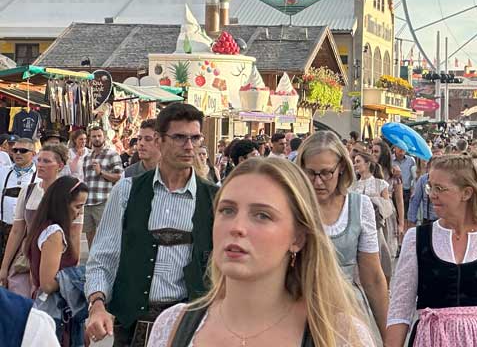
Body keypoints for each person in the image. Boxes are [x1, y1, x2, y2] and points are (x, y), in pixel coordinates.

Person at [146, 156, 373, 346]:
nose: (237, 227)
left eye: (262, 215)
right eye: (227, 210)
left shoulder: (338, 336)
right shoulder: (173, 326)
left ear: (298, 238)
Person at [84, 103, 217, 347]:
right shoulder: (127, 190)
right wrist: (97, 304)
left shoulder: (214, 198)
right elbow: (103, 257)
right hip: (130, 326)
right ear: (159, 140)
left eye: (195, 138)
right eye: (179, 137)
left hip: (189, 328)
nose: (189, 146)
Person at [384, 153, 477, 347]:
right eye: (430, 187)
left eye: (440, 188)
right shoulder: (417, 239)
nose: (432, 195)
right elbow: (400, 309)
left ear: (466, 193)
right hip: (431, 341)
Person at [298, 131, 388, 339]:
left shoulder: (359, 206)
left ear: (341, 168)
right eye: (311, 173)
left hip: (346, 312)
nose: (318, 182)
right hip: (298, 311)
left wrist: (389, 338)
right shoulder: (293, 205)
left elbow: (373, 278)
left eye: (326, 173)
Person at [0, 144, 76, 294]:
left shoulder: (70, 193)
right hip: (26, 258)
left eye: (46, 161)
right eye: (39, 160)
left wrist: (72, 269)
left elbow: (73, 234)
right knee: (21, 300)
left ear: (60, 166)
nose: (40, 164)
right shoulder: (28, 191)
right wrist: (4, 266)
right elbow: (17, 231)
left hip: (56, 257)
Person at [26, 175, 86, 302]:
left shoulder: (41, 225)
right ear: (63, 204)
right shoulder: (54, 233)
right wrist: (78, 278)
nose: (80, 212)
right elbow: (47, 284)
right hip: (53, 305)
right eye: (78, 206)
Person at [352, 151, 398, 270]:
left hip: (376, 227)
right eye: (354, 162)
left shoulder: (380, 183)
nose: (355, 164)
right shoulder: (354, 186)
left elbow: (388, 207)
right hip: (356, 227)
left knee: (378, 258)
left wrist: (374, 201)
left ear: (367, 164)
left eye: (358, 161)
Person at [81, 124, 123, 247]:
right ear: (90, 138)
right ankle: (92, 257)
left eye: (99, 136)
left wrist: (101, 172)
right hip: (88, 202)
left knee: (106, 235)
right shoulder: (87, 158)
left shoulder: (112, 155)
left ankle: (106, 257)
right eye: (94, 136)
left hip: (104, 201)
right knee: (89, 235)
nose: (97, 139)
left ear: (104, 137)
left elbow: (119, 177)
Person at [372, 141, 406, 236]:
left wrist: (401, 224)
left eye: (376, 151)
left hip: (387, 211)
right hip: (371, 210)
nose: (373, 154)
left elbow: (399, 200)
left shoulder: (394, 173)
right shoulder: (369, 170)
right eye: (372, 151)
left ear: (383, 154)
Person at [392, 146, 418, 213]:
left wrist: (413, 188)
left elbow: (414, 176)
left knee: (406, 214)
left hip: (407, 192)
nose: (402, 149)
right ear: (395, 147)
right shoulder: (389, 159)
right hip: (393, 192)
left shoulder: (411, 160)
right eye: (399, 146)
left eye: (404, 146)